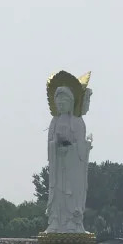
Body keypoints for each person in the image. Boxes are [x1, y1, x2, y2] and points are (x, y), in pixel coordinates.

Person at [45, 84, 92, 234]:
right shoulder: (54, 122)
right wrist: (56, 145)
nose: (60, 104)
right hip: (58, 165)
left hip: (72, 167)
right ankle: (55, 220)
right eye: (58, 102)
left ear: (71, 102)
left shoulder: (78, 122)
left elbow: (81, 148)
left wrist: (76, 146)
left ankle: (73, 220)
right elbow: (49, 145)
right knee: (57, 193)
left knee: (71, 194)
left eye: (64, 101)